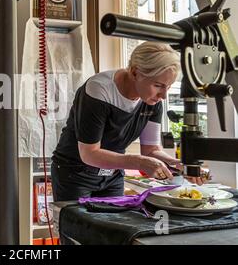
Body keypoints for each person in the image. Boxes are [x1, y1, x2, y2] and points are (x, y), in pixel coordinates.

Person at [51, 41, 204, 202]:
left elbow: (150, 150)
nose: (163, 96)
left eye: (168, 86)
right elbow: (89, 153)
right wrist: (140, 162)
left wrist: (178, 164)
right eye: (158, 85)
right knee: (77, 226)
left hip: (113, 175)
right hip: (74, 174)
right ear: (135, 72)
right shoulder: (99, 89)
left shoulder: (152, 101)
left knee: (113, 225)